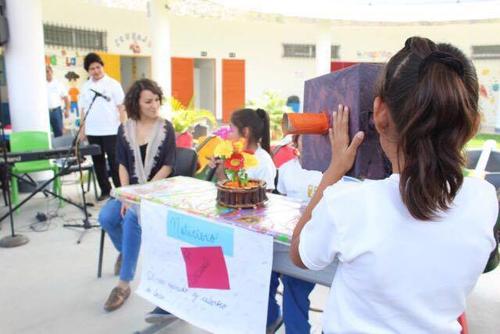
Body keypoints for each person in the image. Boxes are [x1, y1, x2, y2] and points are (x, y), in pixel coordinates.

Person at [290, 37, 498, 334]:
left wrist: (334, 170)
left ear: (379, 113)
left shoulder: (348, 203)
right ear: (472, 125)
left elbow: (300, 254)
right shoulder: (484, 199)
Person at [98, 79, 176, 312]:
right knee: (107, 218)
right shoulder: (125, 128)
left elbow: (169, 166)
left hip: (159, 190)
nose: (155, 105)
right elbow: (121, 163)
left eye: (157, 100)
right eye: (148, 101)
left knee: (132, 218)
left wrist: (141, 195)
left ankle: (124, 284)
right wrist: (125, 195)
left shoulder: (166, 127)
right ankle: (125, 250)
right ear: (137, 103)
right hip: (129, 190)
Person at [80, 52, 125, 201]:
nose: (96, 71)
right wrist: (82, 130)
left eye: (98, 67)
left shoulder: (113, 84)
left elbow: (121, 107)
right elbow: (83, 110)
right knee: (98, 162)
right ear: (88, 71)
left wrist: (123, 127)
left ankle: (120, 191)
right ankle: (105, 190)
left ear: (102, 67)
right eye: (92, 68)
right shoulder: (85, 87)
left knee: (115, 161)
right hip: (93, 130)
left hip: (112, 130)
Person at [46, 65, 70, 137]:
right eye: (44, 72)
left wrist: (67, 110)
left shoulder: (58, 83)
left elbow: (66, 97)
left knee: (59, 133)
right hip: (43, 112)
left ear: (52, 72)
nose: (46, 73)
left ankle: (60, 148)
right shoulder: (40, 84)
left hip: (56, 111)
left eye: (47, 71)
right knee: (45, 134)